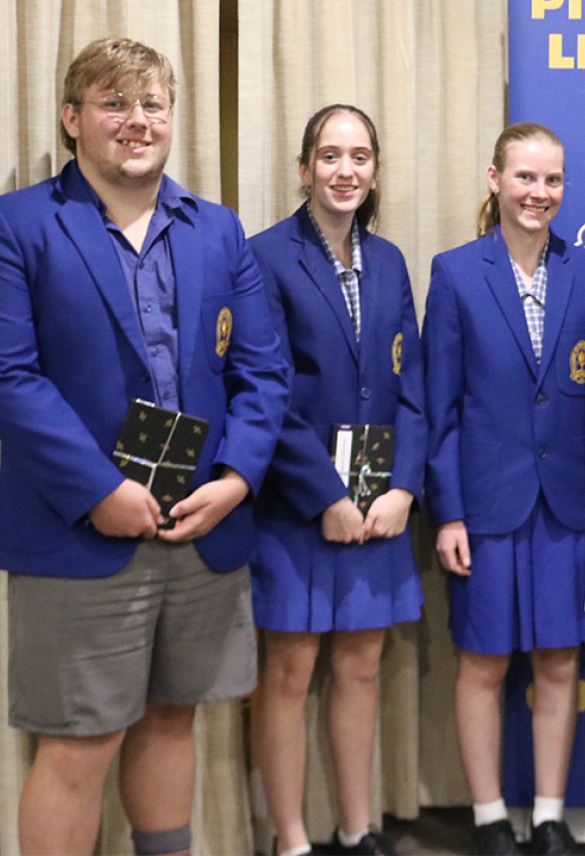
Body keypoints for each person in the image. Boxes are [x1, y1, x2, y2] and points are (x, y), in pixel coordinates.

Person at [0, 37, 289, 856]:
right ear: (73, 120)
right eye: (115, 103)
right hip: (81, 532)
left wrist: (238, 478)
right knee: (79, 741)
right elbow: (4, 377)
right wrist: (98, 490)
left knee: (172, 720)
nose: (138, 121)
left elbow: (264, 370)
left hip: (201, 522)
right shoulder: (16, 225)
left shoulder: (217, 230)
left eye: (153, 104)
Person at [423, 122, 585, 856]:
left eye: (551, 180)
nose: (538, 192)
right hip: (485, 505)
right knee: (483, 661)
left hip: (570, 506)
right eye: (525, 177)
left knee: (560, 659)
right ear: (495, 180)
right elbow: (439, 407)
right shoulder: (454, 272)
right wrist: (446, 510)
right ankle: (487, 816)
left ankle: (548, 813)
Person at [247, 105, 426, 856]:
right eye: (329, 155)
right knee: (289, 669)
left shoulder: (389, 261)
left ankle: (358, 829)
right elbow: (264, 388)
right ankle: (292, 839)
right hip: (295, 504)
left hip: (379, 501)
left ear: (376, 170)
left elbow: (411, 381)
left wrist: (402, 488)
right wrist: (325, 494)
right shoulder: (261, 256)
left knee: (360, 662)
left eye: (359, 156)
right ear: (303, 168)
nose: (345, 170)